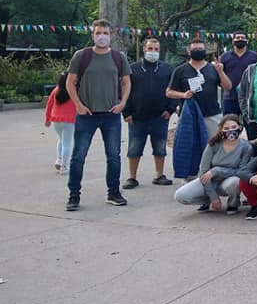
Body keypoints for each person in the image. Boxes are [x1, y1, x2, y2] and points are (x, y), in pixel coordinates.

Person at [64, 20, 132, 211]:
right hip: (87, 114)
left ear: (111, 35)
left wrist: (123, 103)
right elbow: (70, 82)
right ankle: (74, 195)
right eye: (98, 32)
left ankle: (113, 192)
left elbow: (127, 82)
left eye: (105, 33)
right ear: (92, 35)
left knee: (113, 156)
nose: (102, 36)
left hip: (111, 115)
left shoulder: (119, 57)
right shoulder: (81, 56)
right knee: (78, 156)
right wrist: (78, 105)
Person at [121, 38, 177, 189]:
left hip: (160, 117)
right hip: (137, 118)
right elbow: (124, 91)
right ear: (144, 49)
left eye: (156, 49)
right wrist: (126, 113)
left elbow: (174, 89)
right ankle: (132, 177)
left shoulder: (167, 69)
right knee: (134, 148)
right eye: (150, 49)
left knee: (160, 148)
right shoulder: (132, 69)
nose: (153, 52)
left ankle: (159, 175)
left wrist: (170, 109)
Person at [173, 114, 251, 213]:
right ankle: (207, 200)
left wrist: (217, 171)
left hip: (227, 181)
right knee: (180, 196)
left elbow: (241, 172)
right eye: (226, 128)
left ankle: (233, 204)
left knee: (235, 182)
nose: (230, 131)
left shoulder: (246, 147)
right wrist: (213, 196)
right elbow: (203, 172)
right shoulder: (213, 144)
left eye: (234, 127)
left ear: (240, 127)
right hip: (209, 180)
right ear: (221, 130)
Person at [167, 38, 231, 138]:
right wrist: (183, 95)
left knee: (214, 145)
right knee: (189, 147)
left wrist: (221, 72)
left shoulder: (214, 68)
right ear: (189, 52)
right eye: (196, 50)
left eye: (201, 49)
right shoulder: (180, 70)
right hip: (189, 116)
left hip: (212, 115)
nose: (199, 51)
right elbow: (169, 92)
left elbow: (228, 86)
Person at [44, 72, 76, 174]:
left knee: (61, 140)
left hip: (56, 120)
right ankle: (64, 167)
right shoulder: (73, 91)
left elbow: (49, 105)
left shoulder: (56, 90)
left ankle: (59, 159)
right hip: (69, 120)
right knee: (67, 143)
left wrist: (47, 119)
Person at [219, 32, 257, 115]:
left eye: (243, 38)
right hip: (230, 97)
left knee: (250, 124)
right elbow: (220, 75)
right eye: (238, 37)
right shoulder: (224, 57)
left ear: (247, 41)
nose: (240, 39)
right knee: (229, 123)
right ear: (233, 41)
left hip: (249, 97)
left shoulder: (255, 56)